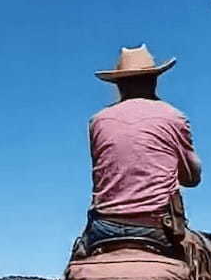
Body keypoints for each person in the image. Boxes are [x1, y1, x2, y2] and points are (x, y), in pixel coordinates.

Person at [78, 44, 202, 258]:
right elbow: (191, 178)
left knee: (72, 275)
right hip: (159, 228)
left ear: (118, 85)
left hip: (104, 228)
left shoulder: (98, 122)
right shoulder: (174, 118)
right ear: (154, 80)